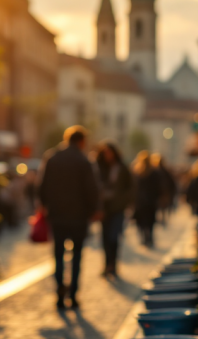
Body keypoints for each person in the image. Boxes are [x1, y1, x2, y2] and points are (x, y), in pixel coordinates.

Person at [38, 126, 100, 309]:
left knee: (58, 254)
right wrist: (93, 210)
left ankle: (59, 290)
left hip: (57, 215)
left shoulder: (52, 158)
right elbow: (91, 189)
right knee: (77, 256)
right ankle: (73, 295)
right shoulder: (83, 160)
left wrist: (45, 206)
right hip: (78, 216)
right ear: (81, 141)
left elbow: (42, 186)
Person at [97, 141, 133, 278]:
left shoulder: (121, 168)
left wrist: (124, 201)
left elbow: (130, 186)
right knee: (105, 238)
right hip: (104, 208)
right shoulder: (100, 168)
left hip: (118, 208)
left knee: (114, 237)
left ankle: (113, 265)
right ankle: (107, 264)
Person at [132, 151, 161, 248]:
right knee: (149, 221)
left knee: (142, 221)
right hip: (150, 201)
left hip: (141, 201)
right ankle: (149, 237)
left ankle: (145, 237)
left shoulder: (138, 171)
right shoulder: (153, 172)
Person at [151, 153, 176, 225]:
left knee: (162, 208)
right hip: (160, 194)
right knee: (161, 209)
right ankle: (161, 220)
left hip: (163, 194)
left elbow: (171, 184)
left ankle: (162, 220)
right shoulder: (155, 171)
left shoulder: (162, 172)